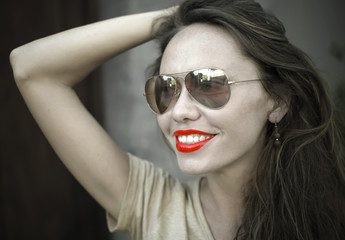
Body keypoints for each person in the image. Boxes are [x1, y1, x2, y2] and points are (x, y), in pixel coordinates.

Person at [10, 0, 345, 239]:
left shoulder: (331, 211)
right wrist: (181, 14)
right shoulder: (153, 208)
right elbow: (30, 67)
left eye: (210, 83)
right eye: (166, 89)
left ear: (278, 100)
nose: (179, 110)